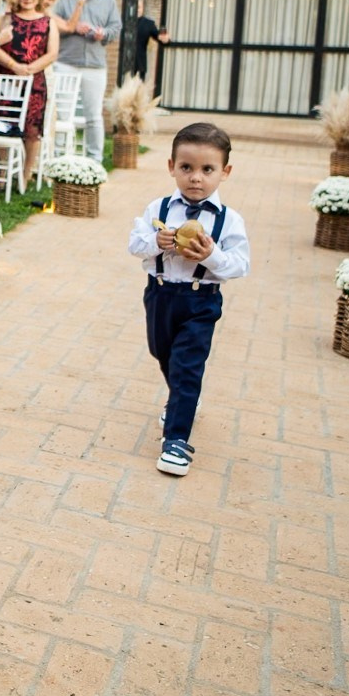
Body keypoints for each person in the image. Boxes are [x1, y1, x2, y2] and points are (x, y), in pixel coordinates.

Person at [127, 122, 251, 478]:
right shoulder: (160, 207)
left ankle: (176, 439)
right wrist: (156, 243)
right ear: (171, 167)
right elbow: (134, 244)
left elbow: (239, 265)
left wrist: (210, 256)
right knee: (161, 352)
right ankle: (181, 400)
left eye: (207, 169)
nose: (196, 178)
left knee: (187, 366)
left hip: (201, 301)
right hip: (160, 294)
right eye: (186, 168)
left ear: (224, 172)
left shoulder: (229, 221)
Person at [54, 0, 121, 162]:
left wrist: (104, 33)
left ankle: (94, 161)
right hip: (66, 63)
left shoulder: (108, 0)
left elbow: (116, 28)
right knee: (63, 115)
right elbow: (53, 27)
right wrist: (72, 26)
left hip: (94, 66)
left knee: (94, 116)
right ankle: (60, 158)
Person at [0, 0, 56, 172]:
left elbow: (52, 53)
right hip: (7, 81)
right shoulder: (8, 19)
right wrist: (15, 66)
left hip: (34, 82)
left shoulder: (48, 22)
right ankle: (5, 168)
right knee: (3, 125)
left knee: (32, 130)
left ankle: (26, 173)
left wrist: (29, 69)